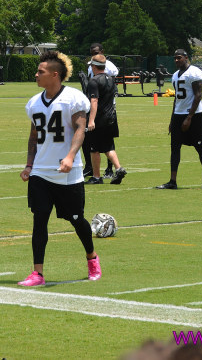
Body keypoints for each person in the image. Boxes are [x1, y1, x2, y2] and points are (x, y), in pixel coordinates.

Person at [18, 50, 101, 286]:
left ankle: (92, 257)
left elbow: (80, 128)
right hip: (41, 172)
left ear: (55, 75)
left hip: (68, 172)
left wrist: (70, 156)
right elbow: (34, 136)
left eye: (40, 72)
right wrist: (29, 165)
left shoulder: (73, 98)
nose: (36, 75)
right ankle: (38, 273)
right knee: (39, 219)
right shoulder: (34, 103)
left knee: (77, 220)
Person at [156, 48, 202, 190]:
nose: (176, 60)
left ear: (186, 58)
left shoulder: (194, 73)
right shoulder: (175, 75)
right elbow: (176, 99)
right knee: (174, 148)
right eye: (175, 58)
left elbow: (198, 96)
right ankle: (172, 181)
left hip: (194, 115)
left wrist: (189, 117)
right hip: (178, 115)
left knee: (199, 146)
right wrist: (172, 119)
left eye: (179, 58)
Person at [84, 54, 127, 185]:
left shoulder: (94, 81)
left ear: (94, 67)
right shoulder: (110, 79)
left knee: (94, 148)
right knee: (108, 146)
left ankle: (96, 177)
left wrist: (91, 120)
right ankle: (119, 168)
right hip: (111, 117)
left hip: (99, 118)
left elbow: (94, 101)